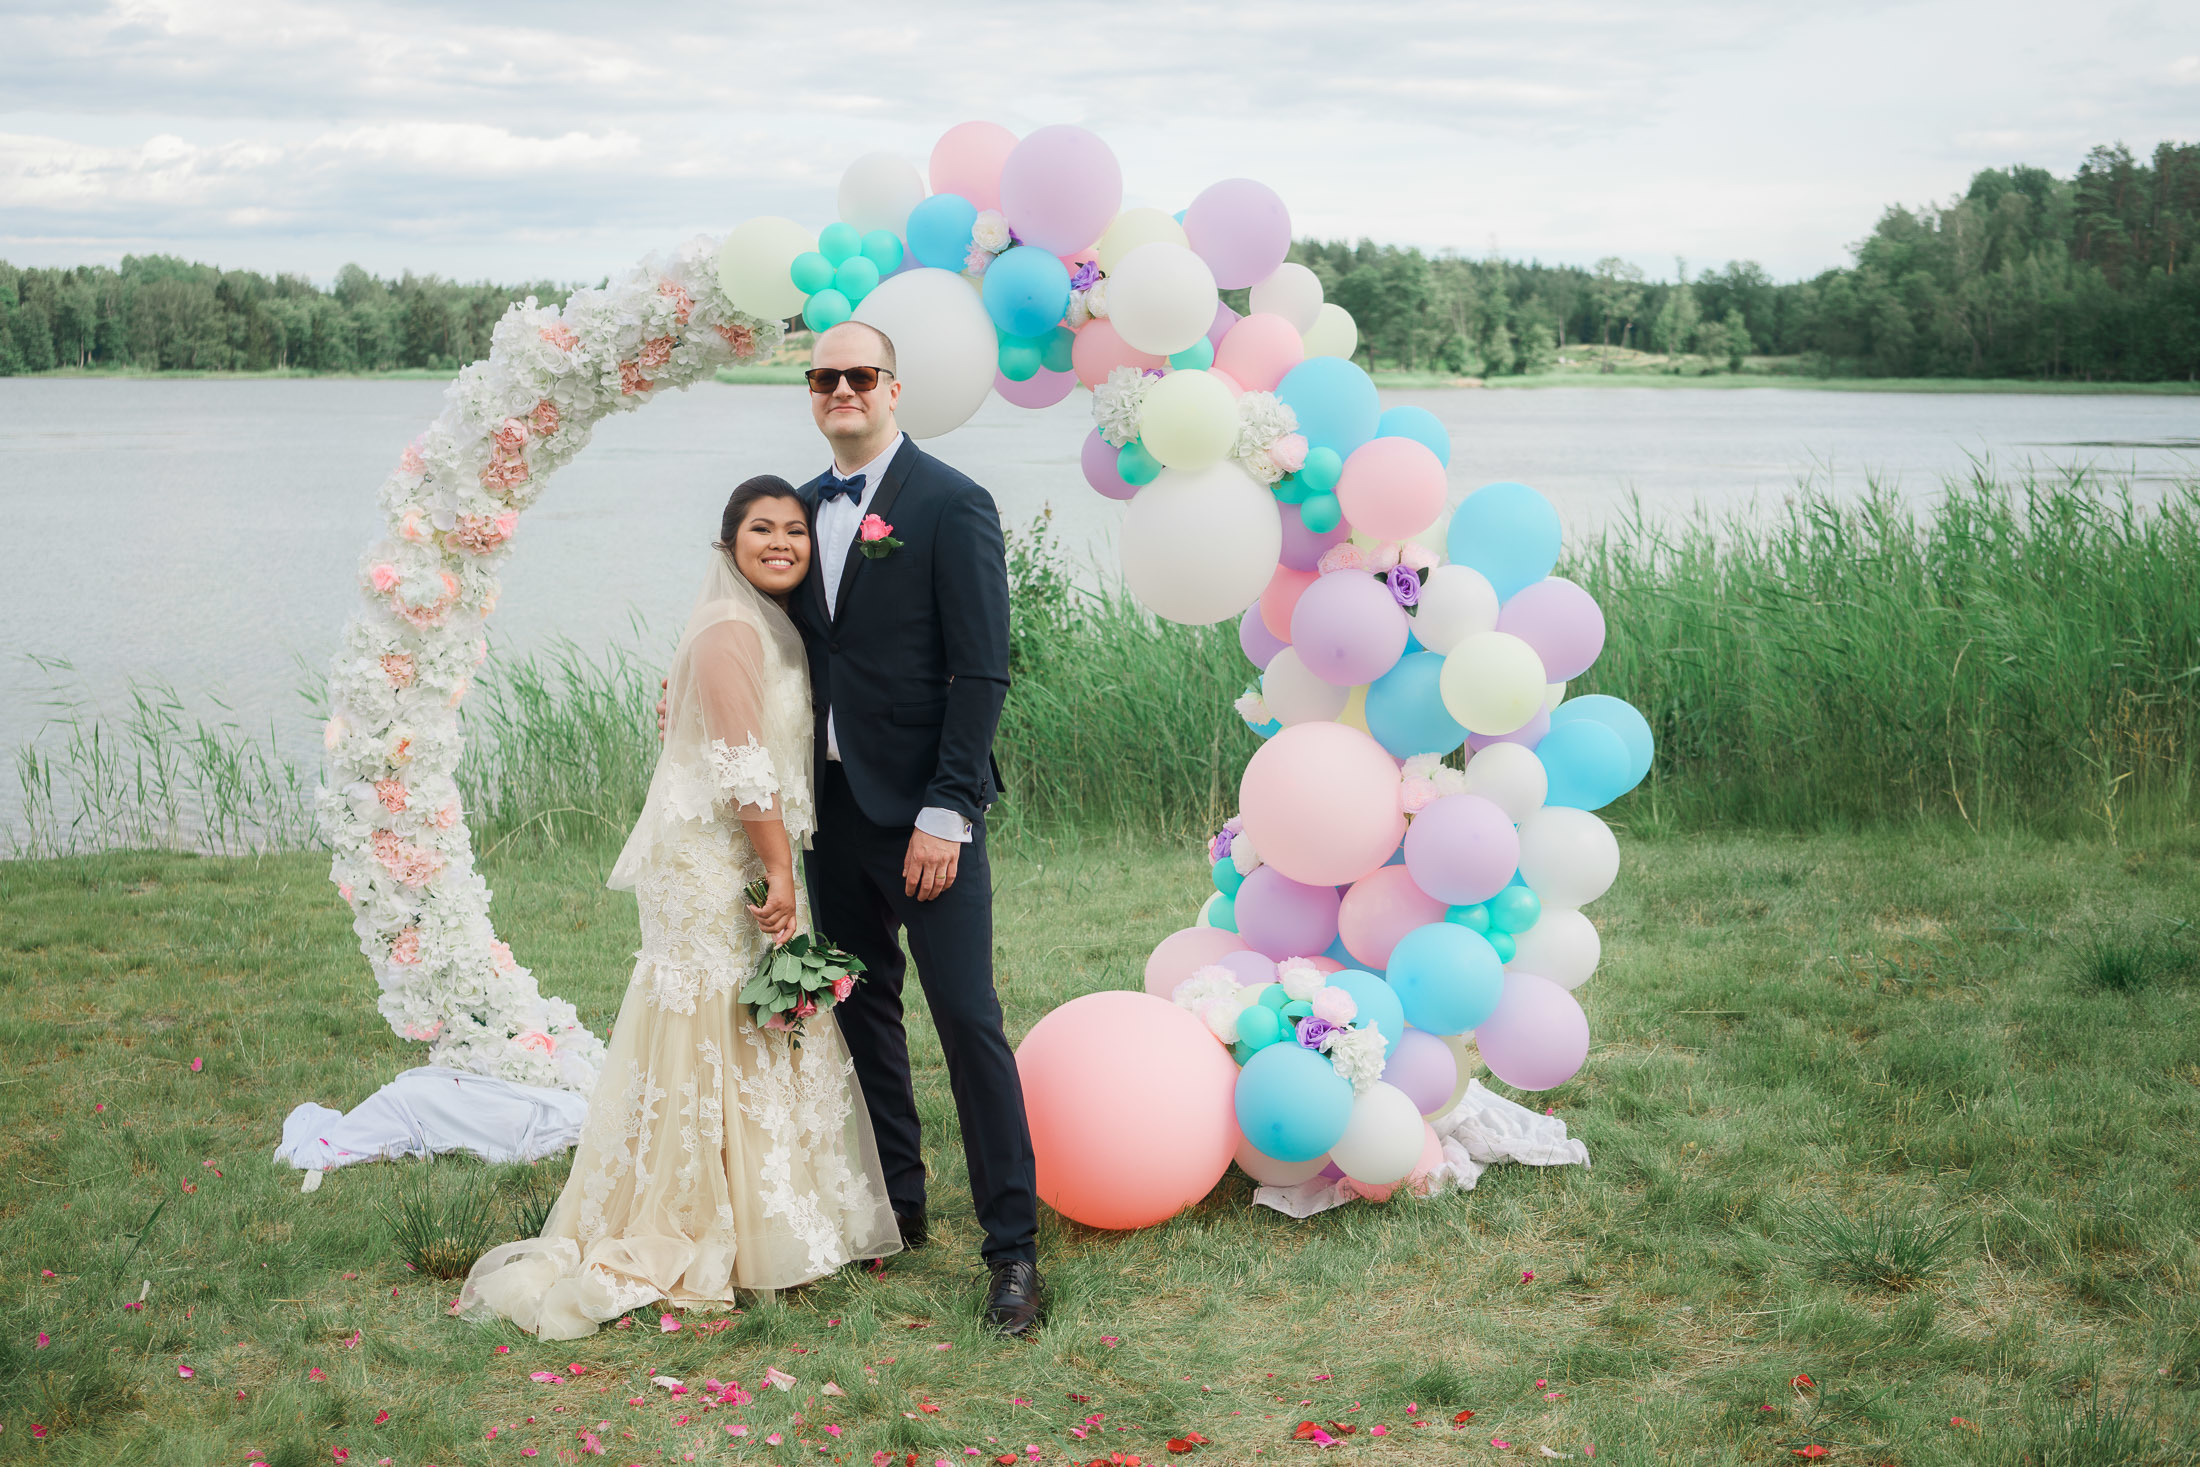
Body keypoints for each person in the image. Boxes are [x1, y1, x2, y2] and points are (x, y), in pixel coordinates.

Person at [455, 478, 900, 1341]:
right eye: (760, 528)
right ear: (727, 541)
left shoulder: (766, 624)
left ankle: (767, 1216)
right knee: (712, 1019)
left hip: (744, 850)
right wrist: (778, 865)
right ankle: (696, 1215)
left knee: (749, 1021)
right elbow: (738, 761)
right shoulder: (730, 628)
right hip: (716, 861)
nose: (780, 542)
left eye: (795, 530)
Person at [790, 320, 1042, 1336]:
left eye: (859, 375)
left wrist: (949, 811)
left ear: (893, 389)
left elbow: (980, 671)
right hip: (833, 813)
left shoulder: (951, 504)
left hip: (927, 819)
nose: (841, 389)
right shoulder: (799, 512)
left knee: (968, 1022)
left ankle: (1013, 1251)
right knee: (861, 1011)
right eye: (823, 377)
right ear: (812, 393)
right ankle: (897, 1206)